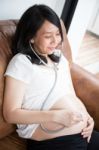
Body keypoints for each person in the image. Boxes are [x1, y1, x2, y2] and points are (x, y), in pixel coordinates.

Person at [3, 4, 99, 150]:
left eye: (58, 34)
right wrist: (56, 116)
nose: (56, 41)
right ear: (31, 38)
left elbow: (70, 95)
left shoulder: (60, 59)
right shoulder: (21, 63)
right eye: (48, 36)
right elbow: (10, 114)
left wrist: (88, 117)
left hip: (85, 133)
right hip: (56, 141)